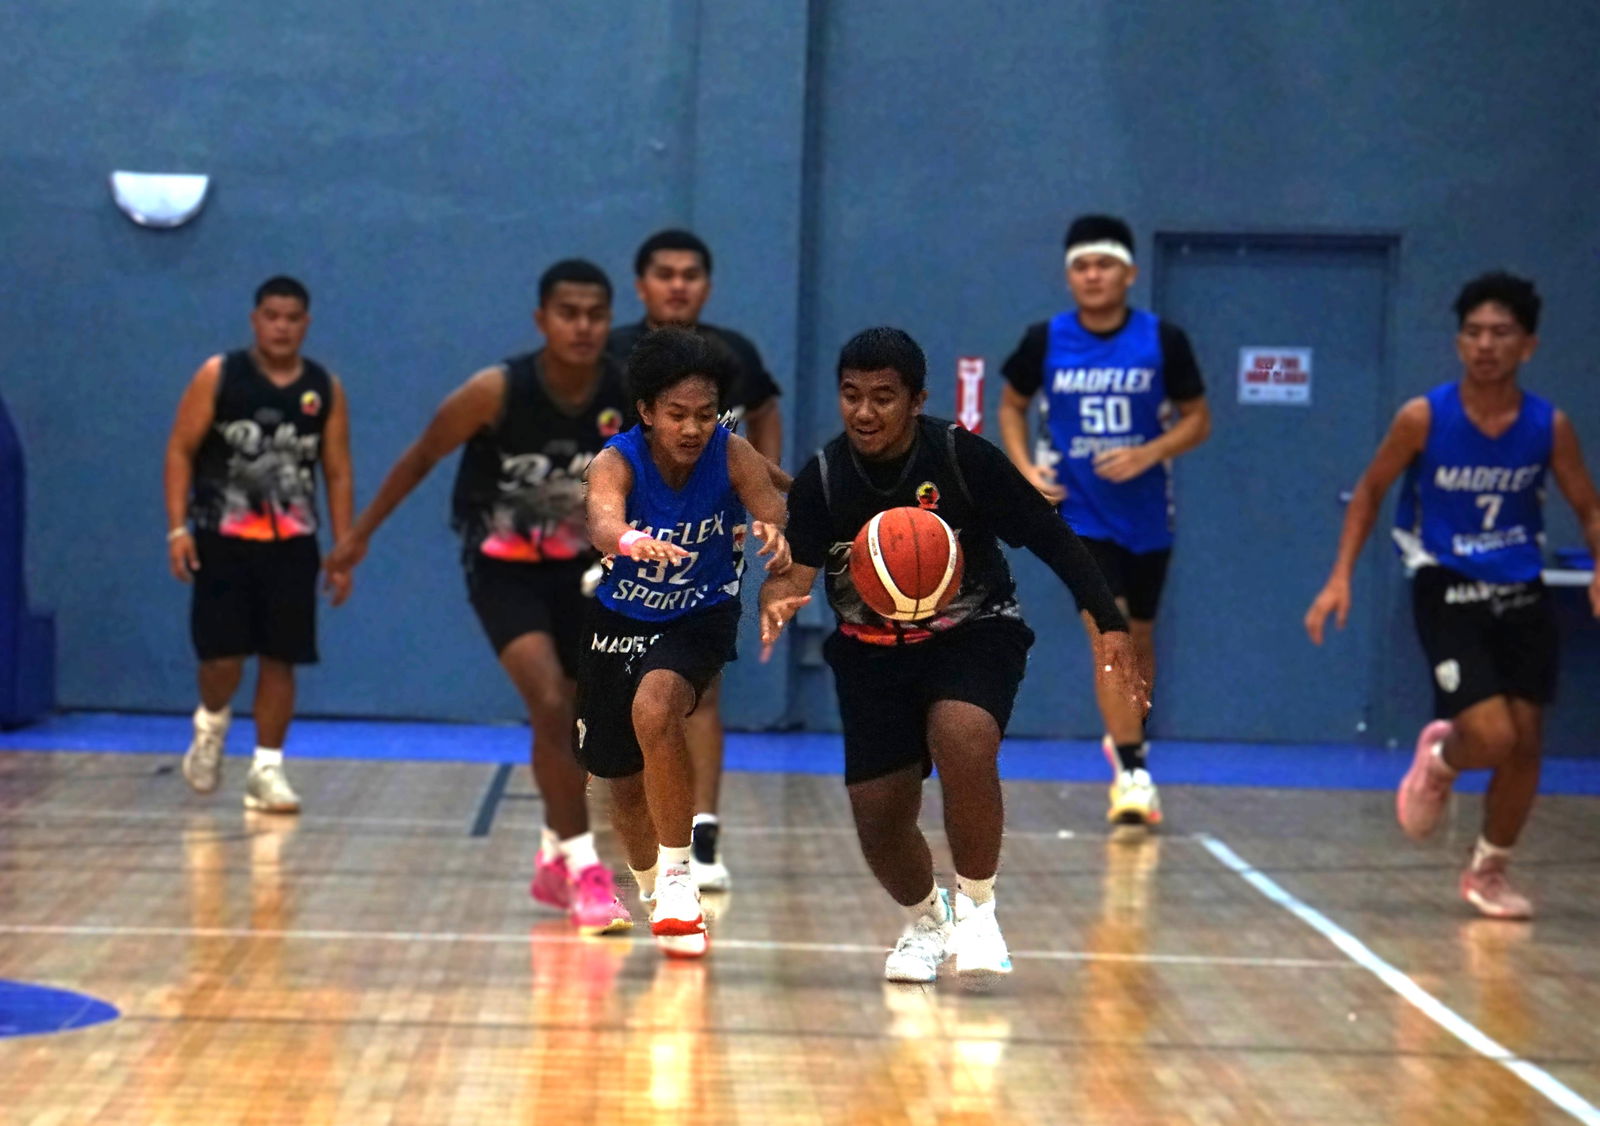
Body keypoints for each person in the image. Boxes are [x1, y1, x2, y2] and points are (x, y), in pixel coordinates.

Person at [759, 327, 1145, 983]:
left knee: (962, 731)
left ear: (917, 400)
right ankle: (925, 921)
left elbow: (1051, 536)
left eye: (883, 397)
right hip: (872, 651)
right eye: (851, 395)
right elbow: (792, 572)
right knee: (880, 817)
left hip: (973, 630)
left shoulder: (961, 458)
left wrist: (1108, 622)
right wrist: (779, 595)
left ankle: (978, 908)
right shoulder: (825, 478)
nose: (864, 411)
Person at [323, 260, 632, 934]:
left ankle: (553, 855)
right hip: (503, 568)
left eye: (595, 314)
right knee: (548, 701)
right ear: (541, 320)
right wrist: (357, 538)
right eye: (568, 313)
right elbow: (418, 459)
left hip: (587, 574)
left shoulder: (626, 392)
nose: (582, 326)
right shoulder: (495, 391)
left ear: (609, 321)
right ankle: (586, 872)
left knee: (579, 720)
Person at [1307, 271, 1600, 920]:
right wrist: (1339, 576)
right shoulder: (1423, 416)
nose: (1485, 345)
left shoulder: (1549, 426)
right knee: (1491, 735)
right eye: (1473, 333)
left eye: (1501, 333)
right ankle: (1441, 760)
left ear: (1528, 345)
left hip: (1520, 586)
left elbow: (1587, 505)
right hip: (1447, 582)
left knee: (1527, 740)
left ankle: (1488, 870)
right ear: (1458, 342)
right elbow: (1372, 491)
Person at [580, 327, 790, 958]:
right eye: (677, 415)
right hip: (620, 618)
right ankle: (655, 892)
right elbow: (600, 518)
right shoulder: (615, 460)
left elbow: (768, 502)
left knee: (658, 706)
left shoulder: (732, 454)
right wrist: (628, 541)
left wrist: (772, 530)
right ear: (646, 412)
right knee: (619, 778)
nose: (694, 428)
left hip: (700, 614)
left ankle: (678, 878)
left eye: (705, 414)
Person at [997, 214, 1210, 831]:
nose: (1092, 275)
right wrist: (1026, 468)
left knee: (1138, 637)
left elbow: (1199, 419)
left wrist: (1150, 452)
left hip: (1146, 517)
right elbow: (1012, 402)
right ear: (1070, 276)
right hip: (1080, 517)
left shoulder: (1162, 340)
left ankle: (1125, 741)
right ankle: (1135, 772)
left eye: (1104, 264)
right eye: (1081, 266)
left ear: (1129, 273)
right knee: (1109, 633)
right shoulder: (1046, 340)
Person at [607, 228, 787, 890]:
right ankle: (628, 831)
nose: (678, 283)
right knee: (615, 701)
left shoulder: (731, 354)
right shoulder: (614, 353)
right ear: (642, 284)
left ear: (706, 285)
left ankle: (700, 836)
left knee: (698, 690)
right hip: (626, 547)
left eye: (690, 273)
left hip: (705, 545)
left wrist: (763, 488)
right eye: (665, 273)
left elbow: (765, 412)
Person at [163, 275, 354, 814]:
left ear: (305, 324)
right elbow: (180, 450)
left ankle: (266, 768)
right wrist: (178, 528)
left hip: (292, 542)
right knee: (222, 658)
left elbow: (337, 472)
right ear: (255, 319)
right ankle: (212, 720)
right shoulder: (220, 376)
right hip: (222, 538)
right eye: (272, 316)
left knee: (281, 658)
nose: (282, 326)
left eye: (292, 318)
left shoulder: (323, 388)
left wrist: (343, 548)